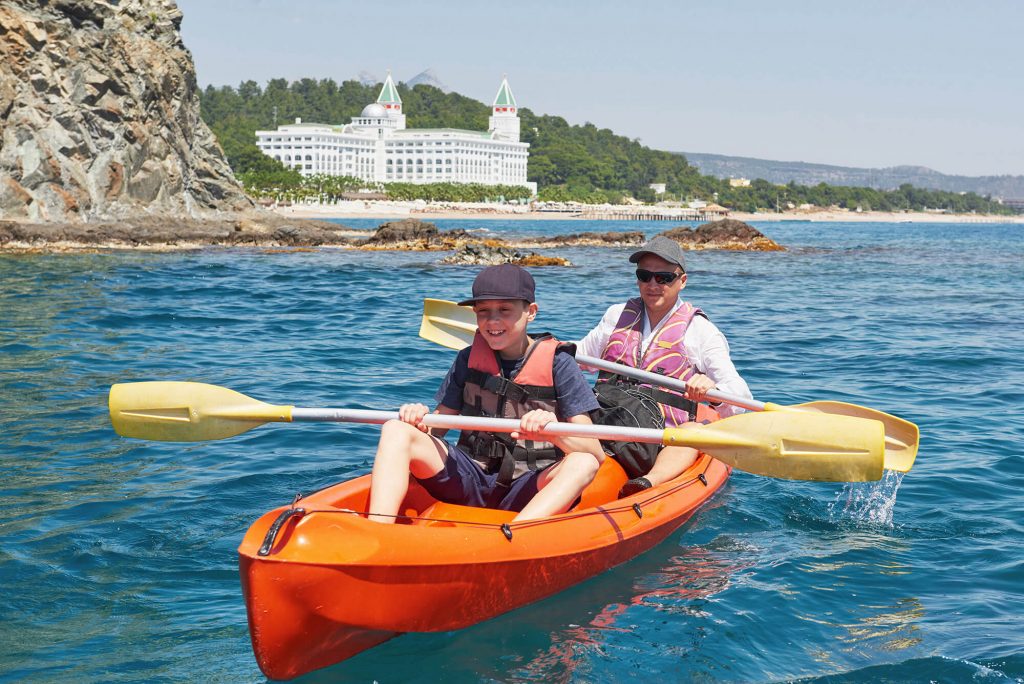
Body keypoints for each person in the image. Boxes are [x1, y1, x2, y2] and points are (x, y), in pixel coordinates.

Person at [368, 264, 606, 523]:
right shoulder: (467, 359)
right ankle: (378, 528)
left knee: (584, 463)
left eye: (504, 310)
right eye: (483, 312)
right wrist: (417, 420)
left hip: (528, 486)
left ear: (531, 312)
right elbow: (437, 427)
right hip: (470, 477)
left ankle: (517, 535)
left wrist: (551, 431)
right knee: (395, 429)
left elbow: (594, 451)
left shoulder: (559, 363)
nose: (492, 321)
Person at [576, 235, 752, 497]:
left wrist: (713, 391)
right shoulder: (616, 315)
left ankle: (649, 483)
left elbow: (741, 397)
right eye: (644, 275)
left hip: (662, 439)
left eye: (664, 278)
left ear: (682, 281)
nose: (652, 285)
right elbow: (581, 356)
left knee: (693, 432)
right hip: (608, 421)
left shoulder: (700, 331)